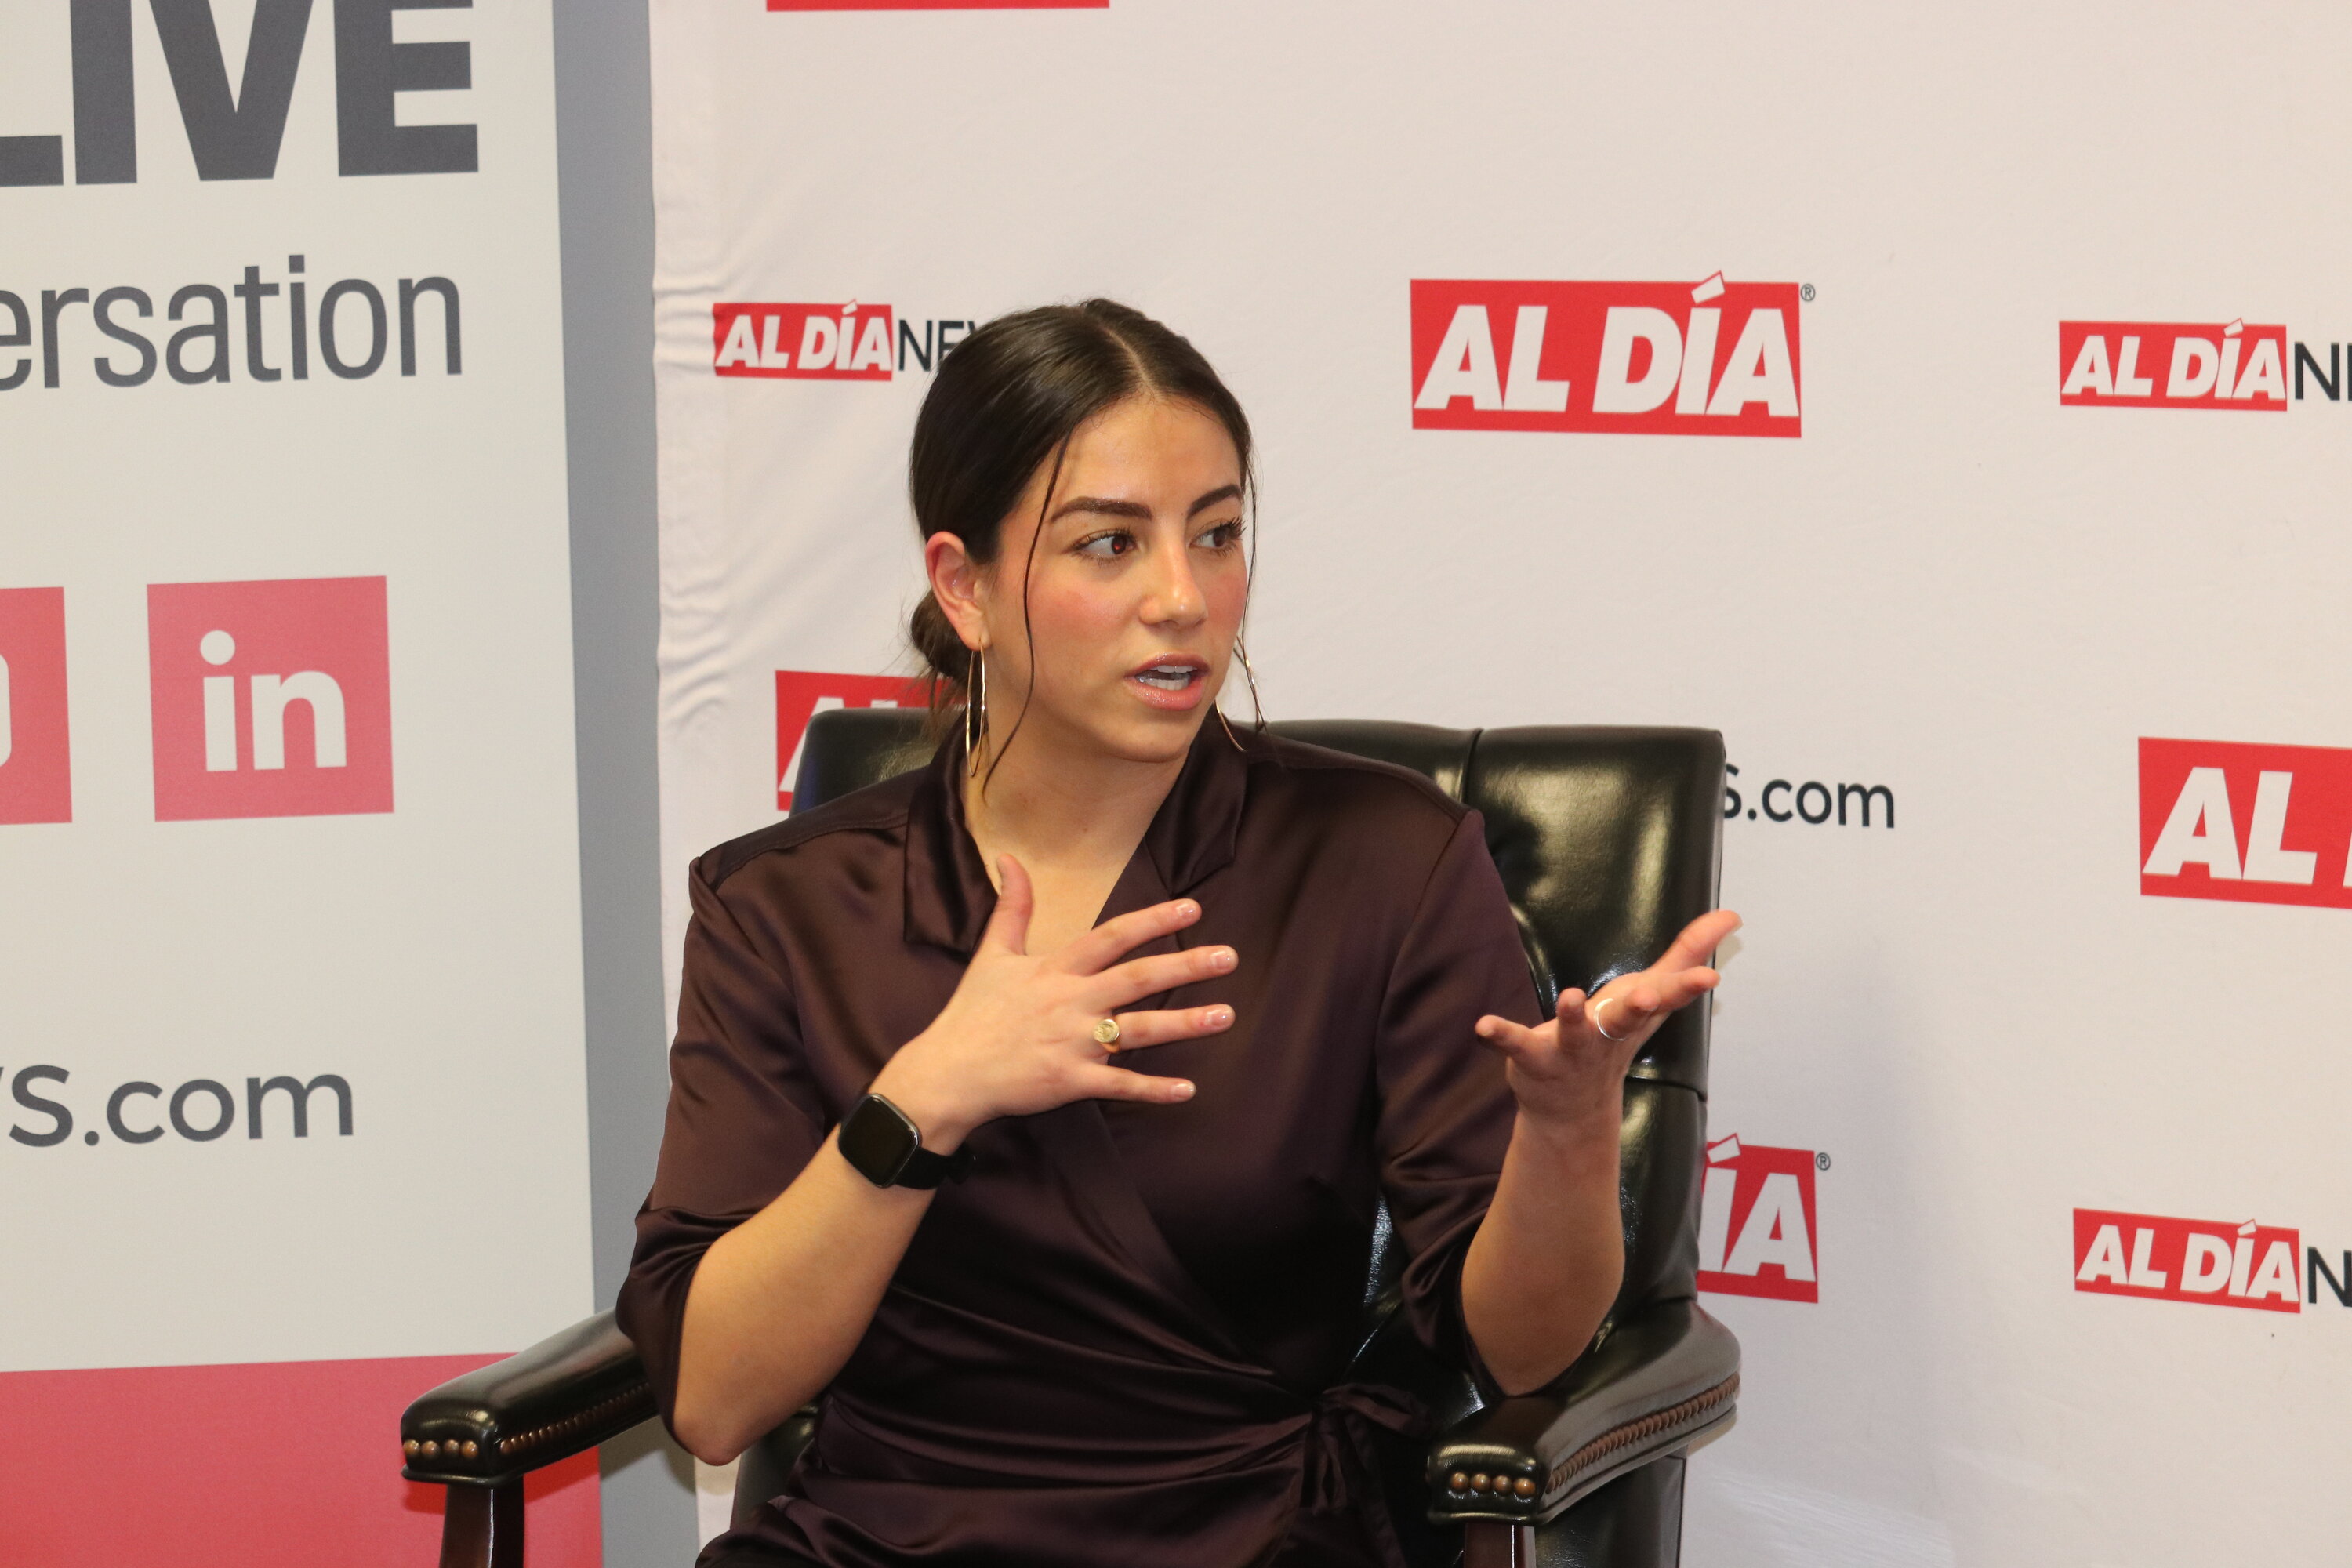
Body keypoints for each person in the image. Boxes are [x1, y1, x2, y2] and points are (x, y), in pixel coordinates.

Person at [616, 299, 1738, 1568]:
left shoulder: (1383, 858)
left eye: (1216, 534)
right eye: (1109, 545)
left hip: (1251, 1535)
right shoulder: (791, 906)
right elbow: (712, 1402)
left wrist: (1570, 1129)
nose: (1183, 598)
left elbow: (1524, 1349)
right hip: (884, 1538)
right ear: (964, 587)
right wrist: (924, 1098)